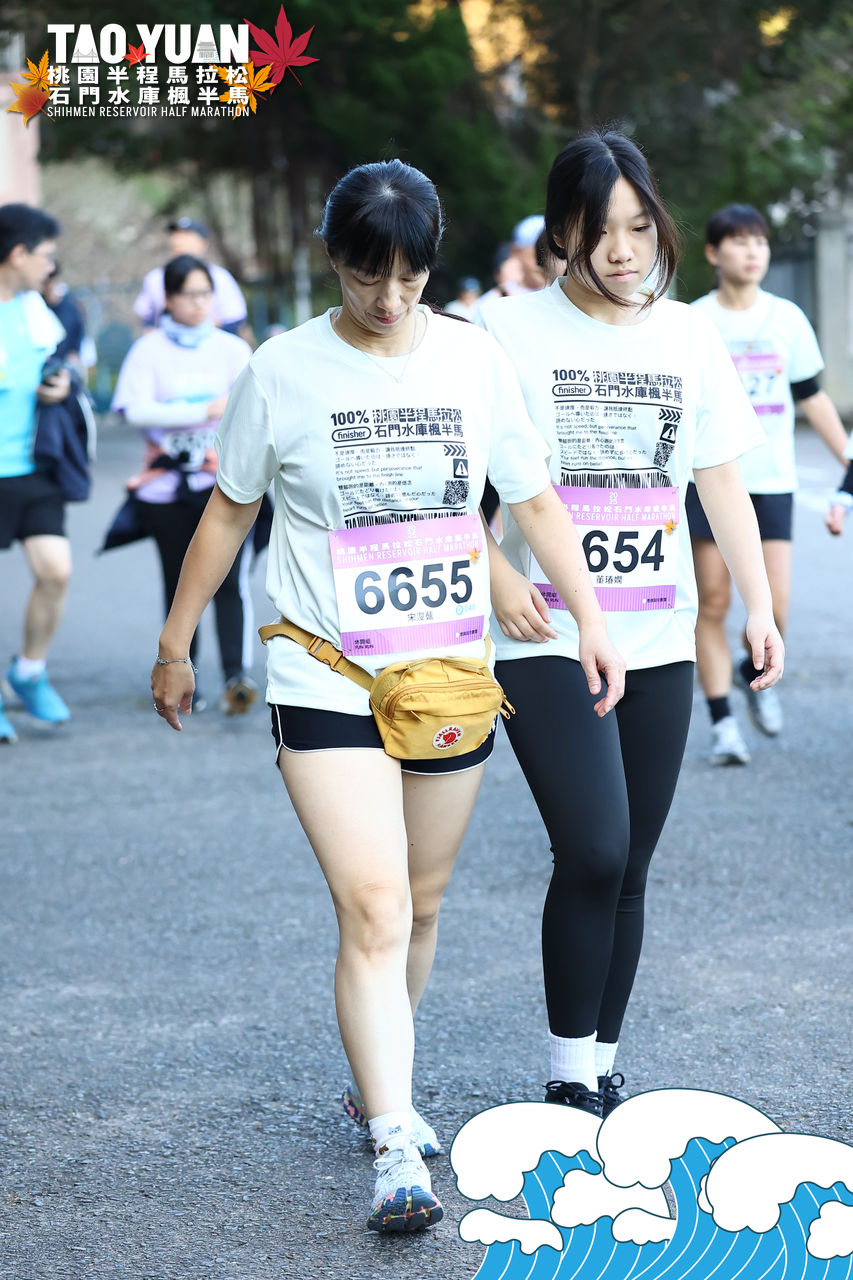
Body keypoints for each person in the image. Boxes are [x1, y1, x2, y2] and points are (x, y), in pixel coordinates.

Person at [150, 159, 625, 1233]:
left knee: (421, 900)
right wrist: (177, 643)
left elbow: (532, 498)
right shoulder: (281, 369)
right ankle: (394, 1140)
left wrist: (590, 619)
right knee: (373, 905)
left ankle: (379, 1075)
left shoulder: (472, 358)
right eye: (369, 276)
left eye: (410, 277)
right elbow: (228, 511)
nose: (390, 299)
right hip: (324, 669)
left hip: (448, 670)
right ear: (336, 259)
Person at [477, 132, 784, 1117]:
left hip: (655, 631)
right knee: (595, 847)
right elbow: (453, 486)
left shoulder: (687, 335)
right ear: (559, 229)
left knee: (631, 864)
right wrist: (495, 574)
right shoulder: (502, 331)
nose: (620, 250)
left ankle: (597, 1063)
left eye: (638, 228)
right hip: (544, 632)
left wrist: (758, 605)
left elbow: (720, 478)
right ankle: (567, 1074)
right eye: (597, 228)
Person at [685, 204, 848, 763]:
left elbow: (812, 397)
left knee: (774, 605)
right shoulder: (694, 322)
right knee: (713, 601)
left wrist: (848, 458)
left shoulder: (787, 319)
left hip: (771, 481)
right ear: (714, 253)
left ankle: (750, 668)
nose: (753, 251)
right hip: (709, 481)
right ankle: (723, 723)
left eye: (759, 241)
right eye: (739, 241)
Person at [112, 254, 258, 714]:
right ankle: (181, 674)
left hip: (224, 484)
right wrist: (201, 411)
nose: (198, 303)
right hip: (166, 489)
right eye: (188, 294)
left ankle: (236, 677)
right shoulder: (148, 351)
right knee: (179, 585)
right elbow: (133, 410)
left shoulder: (233, 349)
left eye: (205, 294)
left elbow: (252, 408)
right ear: (169, 300)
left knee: (230, 580)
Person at [0, 203, 72, 745]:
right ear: (18, 253)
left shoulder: (35, 311)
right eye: (45, 255)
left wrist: (61, 385)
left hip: (33, 465)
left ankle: (28, 671)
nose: (51, 266)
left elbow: (59, 364)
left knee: (55, 571)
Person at [133, 217, 248, 336]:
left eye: (186, 235)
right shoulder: (155, 277)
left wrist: (199, 329)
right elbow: (147, 317)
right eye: (175, 235)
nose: (177, 240)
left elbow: (234, 320)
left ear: (203, 243)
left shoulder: (220, 277)